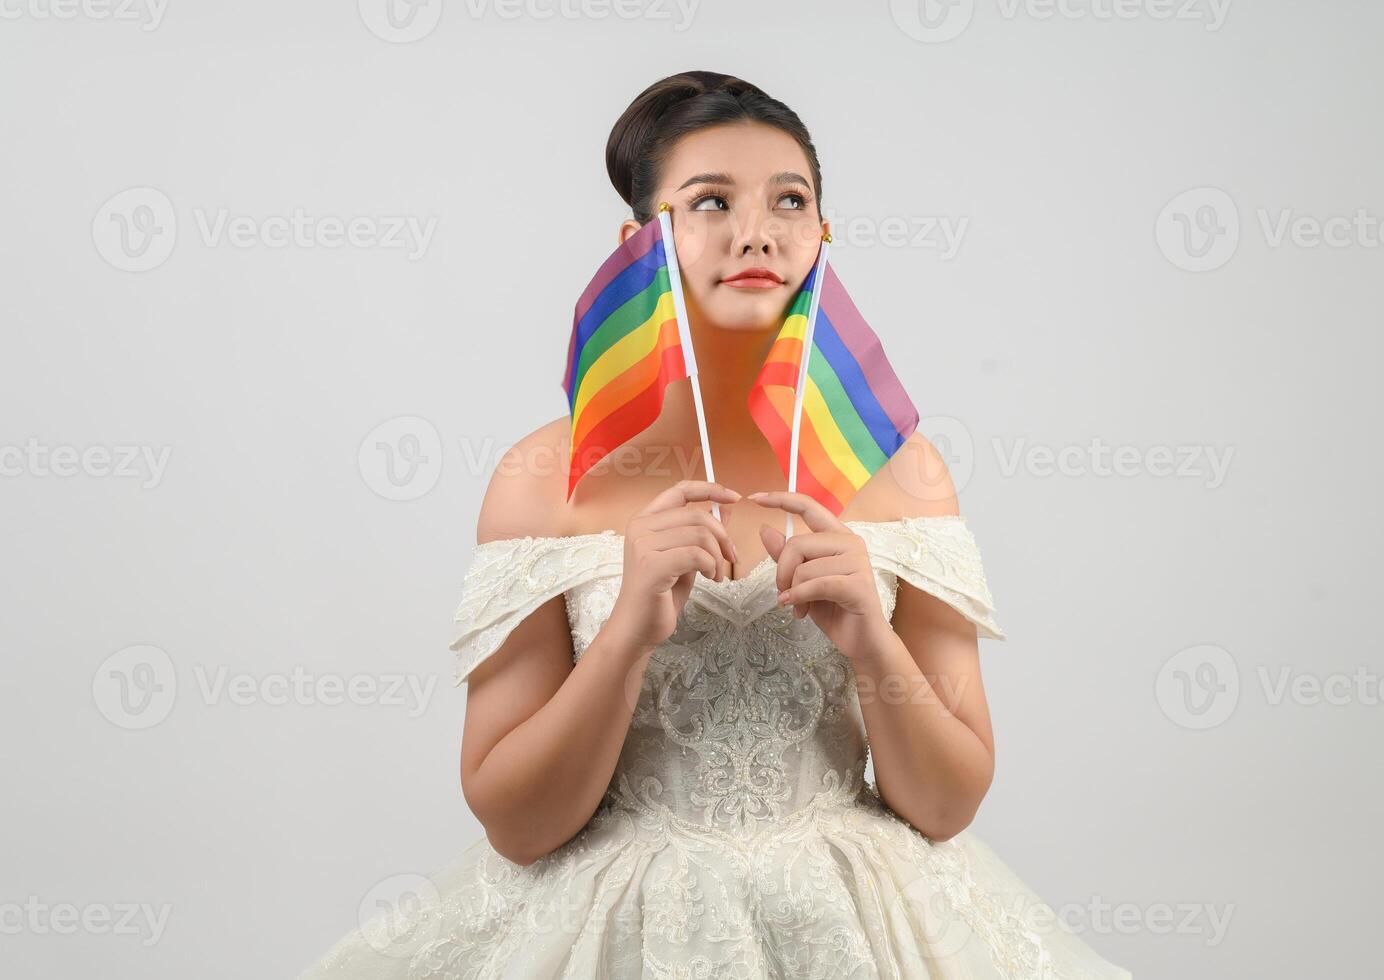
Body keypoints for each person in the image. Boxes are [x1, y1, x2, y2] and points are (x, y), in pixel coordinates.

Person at [299, 69, 1131, 979]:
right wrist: (625, 634)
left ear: (821, 234)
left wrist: (870, 642)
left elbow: (945, 806)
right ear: (638, 245)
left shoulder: (902, 471)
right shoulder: (545, 478)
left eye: (790, 201)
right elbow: (517, 824)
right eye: (709, 202)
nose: (756, 233)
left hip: (858, 927)